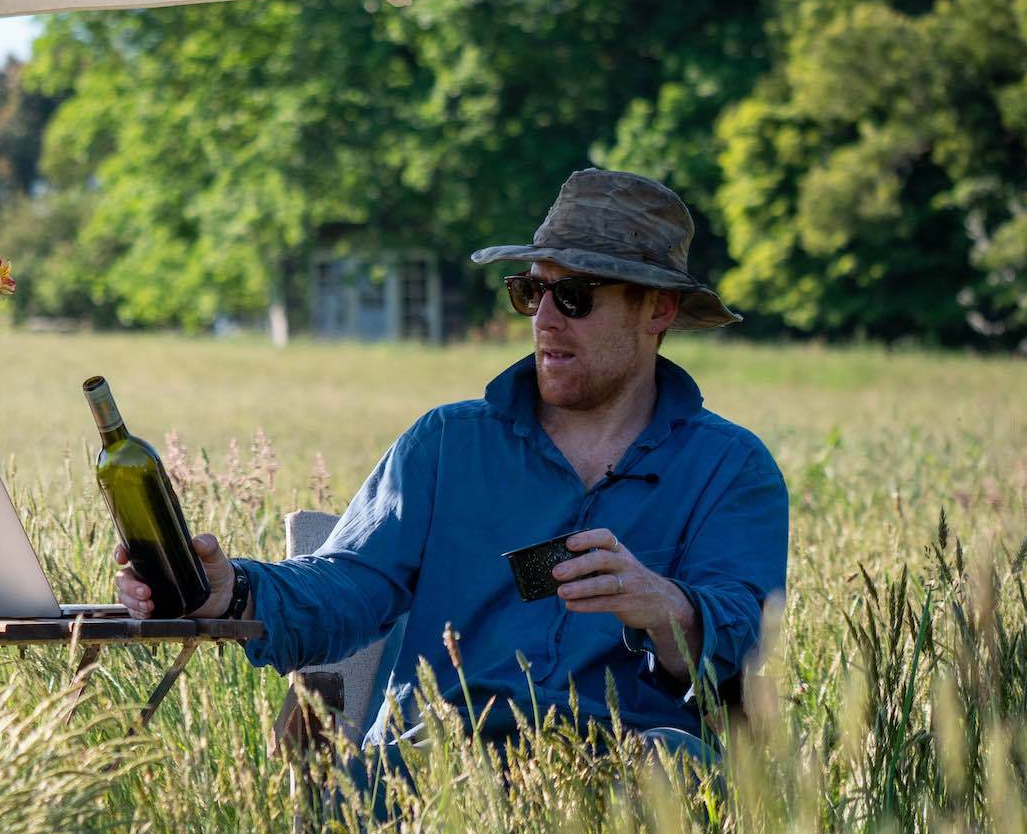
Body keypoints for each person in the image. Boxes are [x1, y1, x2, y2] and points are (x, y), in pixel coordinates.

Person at [115, 169, 789, 763]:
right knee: (379, 786)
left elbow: (741, 645)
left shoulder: (729, 470)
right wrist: (231, 591)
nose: (545, 319)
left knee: (669, 768)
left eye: (575, 297)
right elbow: (346, 586)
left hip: (627, 769)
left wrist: (666, 607)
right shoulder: (446, 446)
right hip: (442, 764)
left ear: (657, 309)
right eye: (530, 292)